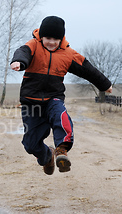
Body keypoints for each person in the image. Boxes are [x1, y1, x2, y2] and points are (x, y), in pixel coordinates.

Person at [10, 16, 112, 175]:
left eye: (55, 39)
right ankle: (47, 156)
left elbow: (87, 68)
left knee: (61, 116)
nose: (51, 42)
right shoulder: (34, 46)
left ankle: (61, 150)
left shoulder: (67, 53)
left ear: (61, 38)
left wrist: (105, 84)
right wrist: (19, 62)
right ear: (41, 36)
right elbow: (23, 52)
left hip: (53, 98)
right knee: (30, 144)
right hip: (32, 103)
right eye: (47, 38)